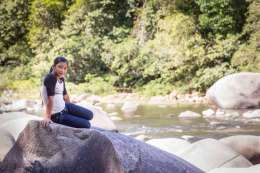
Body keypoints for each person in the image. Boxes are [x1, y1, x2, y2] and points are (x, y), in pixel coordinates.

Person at [41, 56, 93, 128]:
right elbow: (50, 99)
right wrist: (47, 117)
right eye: (60, 67)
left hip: (65, 106)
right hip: (57, 115)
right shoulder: (50, 77)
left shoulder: (61, 78)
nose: (62, 70)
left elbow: (65, 96)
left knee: (90, 115)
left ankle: (68, 114)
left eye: (65, 68)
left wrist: (71, 111)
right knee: (87, 125)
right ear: (53, 67)